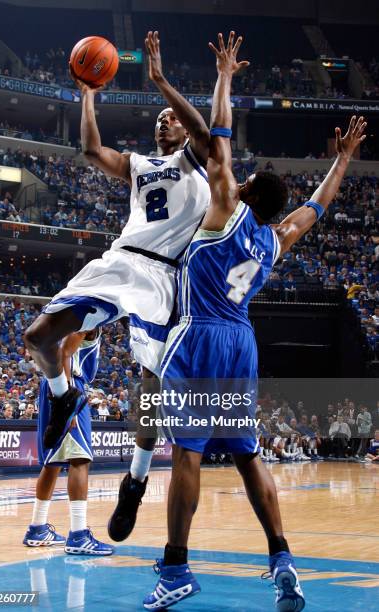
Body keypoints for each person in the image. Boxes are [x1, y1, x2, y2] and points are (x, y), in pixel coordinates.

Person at [143, 31, 366, 611]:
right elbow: (313, 210)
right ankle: (282, 557)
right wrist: (340, 161)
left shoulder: (224, 207)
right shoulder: (274, 240)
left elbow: (214, 134)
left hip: (199, 333)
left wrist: (223, 77)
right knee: (249, 455)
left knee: (186, 455)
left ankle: (176, 568)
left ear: (244, 190)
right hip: (243, 341)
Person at [24, 30, 210, 536]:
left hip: (165, 277)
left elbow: (204, 128)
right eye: (158, 118)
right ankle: (64, 395)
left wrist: (160, 80)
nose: (163, 121)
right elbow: (90, 149)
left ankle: (136, 479)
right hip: (120, 261)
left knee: (150, 385)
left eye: (170, 119)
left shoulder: (194, 160)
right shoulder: (139, 165)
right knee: (37, 337)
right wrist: (87, 95)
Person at [23, 329, 114, 555]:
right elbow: (64, 351)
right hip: (68, 385)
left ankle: (37, 528)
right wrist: (67, 404)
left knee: (52, 462)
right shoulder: (88, 315)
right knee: (80, 458)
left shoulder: (69, 312)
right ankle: (79, 535)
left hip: (53, 383)